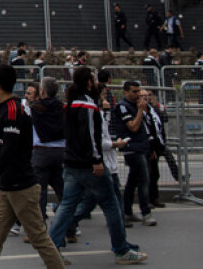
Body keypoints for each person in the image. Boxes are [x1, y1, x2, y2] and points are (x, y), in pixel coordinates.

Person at [0, 63, 64, 269]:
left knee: (39, 239)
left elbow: (8, 153)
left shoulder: (13, 111)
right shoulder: (2, 109)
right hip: (6, 186)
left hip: (22, 188)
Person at [46, 67, 146, 264]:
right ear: (89, 83)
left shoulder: (71, 104)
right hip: (88, 164)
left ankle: (51, 248)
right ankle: (121, 249)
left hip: (71, 162)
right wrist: (96, 160)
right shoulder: (89, 107)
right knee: (111, 204)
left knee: (67, 205)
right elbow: (91, 137)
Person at [112, 80, 155, 226]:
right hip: (132, 147)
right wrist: (140, 111)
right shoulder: (123, 107)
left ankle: (127, 211)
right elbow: (133, 127)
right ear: (126, 92)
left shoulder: (137, 105)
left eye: (138, 91)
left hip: (141, 145)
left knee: (134, 179)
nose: (137, 94)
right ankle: (145, 212)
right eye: (134, 92)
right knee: (143, 179)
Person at [30, 78, 66, 222]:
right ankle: (70, 228)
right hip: (61, 151)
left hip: (42, 151)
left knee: (40, 192)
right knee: (61, 189)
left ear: (42, 91)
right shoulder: (62, 107)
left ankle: (40, 227)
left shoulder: (37, 108)